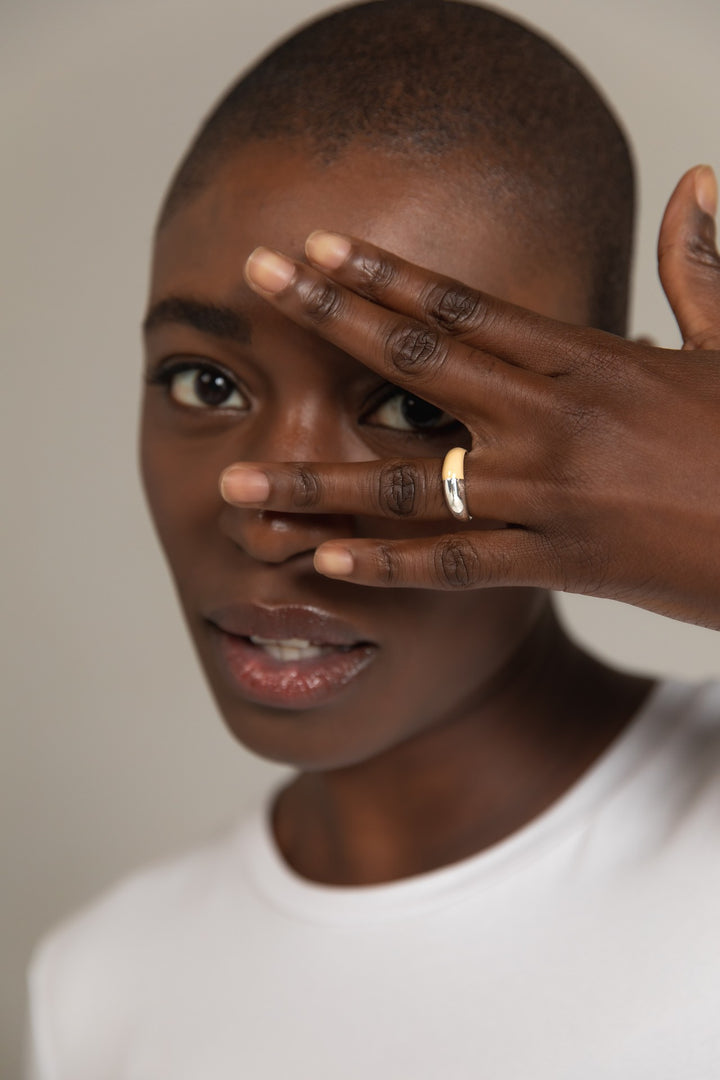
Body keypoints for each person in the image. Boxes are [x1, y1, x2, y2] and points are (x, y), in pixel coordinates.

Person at [26, 1, 720, 1077]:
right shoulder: (102, 985)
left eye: (412, 406)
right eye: (203, 382)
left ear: (611, 436)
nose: (272, 506)